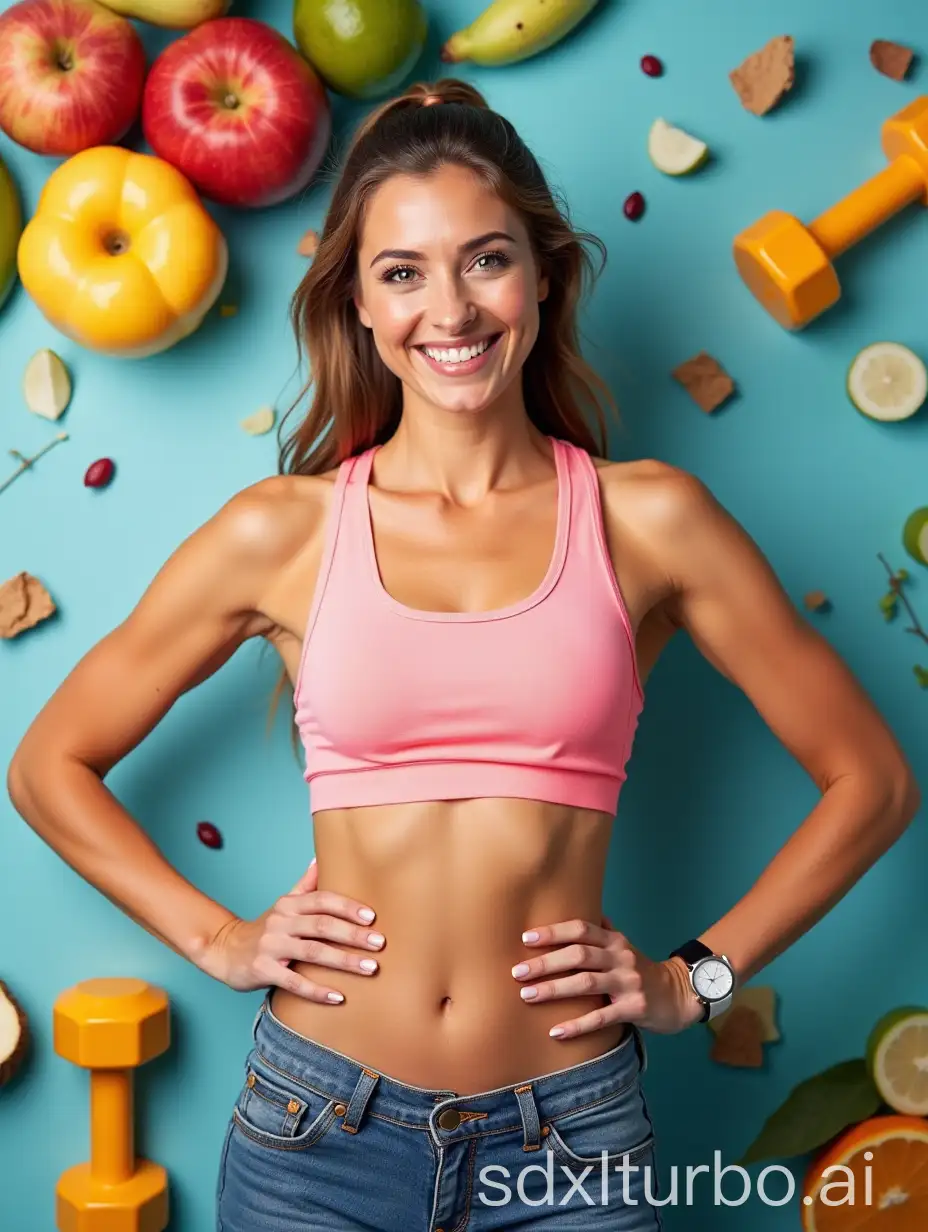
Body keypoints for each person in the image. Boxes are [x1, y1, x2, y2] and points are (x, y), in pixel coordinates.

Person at [6, 76, 919, 1231]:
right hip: (313, 1134)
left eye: (485, 259)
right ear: (360, 305)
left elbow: (873, 781)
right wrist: (218, 937)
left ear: (545, 275)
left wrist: (698, 979)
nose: (451, 307)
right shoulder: (280, 531)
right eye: (402, 272)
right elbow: (47, 765)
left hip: (571, 1140)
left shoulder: (650, 522)